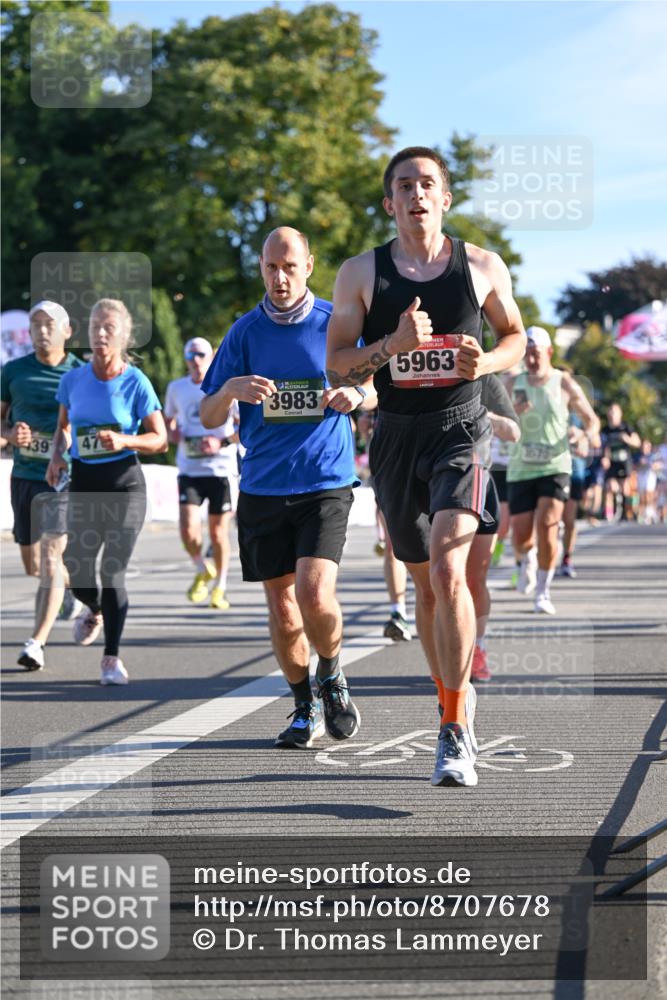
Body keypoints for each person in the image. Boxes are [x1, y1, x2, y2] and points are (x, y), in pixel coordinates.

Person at [325, 146, 526, 788]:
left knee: (448, 566)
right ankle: (452, 695)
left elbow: (515, 337)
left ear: (445, 198)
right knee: (425, 585)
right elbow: (336, 362)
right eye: (404, 185)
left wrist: (483, 364)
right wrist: (391, 347)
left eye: (428, 184)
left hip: (462, 431)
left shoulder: (483, 266)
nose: (416, 194)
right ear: (389, 202)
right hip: (396, 437)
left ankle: (454, 724)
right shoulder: (361, 273)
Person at [200, 227, 376, 748]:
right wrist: (230, 388)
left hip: (325, 481)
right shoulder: (245, 333)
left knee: (314, 592)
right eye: (272, 267)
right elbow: (209, 414)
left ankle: (333, 675)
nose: (281, 277)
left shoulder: (335, 323)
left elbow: (374, 387)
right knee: (281, 606)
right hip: (262, 487)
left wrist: (356, 397)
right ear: (261, 268)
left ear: (309, 266)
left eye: (290, 266)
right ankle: (303, 707)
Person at [46, 298, 168, 684]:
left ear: (123, 335)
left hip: (124, 486)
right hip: (84, 482)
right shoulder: (73, 380)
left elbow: (161, 439)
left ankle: (111, 658)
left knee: (112, 570)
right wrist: (56, 457)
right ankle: (95, 608)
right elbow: (64, 427)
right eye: (95, 327)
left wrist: (124, 439)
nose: (100, 334)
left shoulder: (135, 382)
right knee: (78, 570)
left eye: (109, 328)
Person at [1, 301, 84, 672]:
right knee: (34, 564)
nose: (41, 331)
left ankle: (36, 642)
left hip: (63, 480)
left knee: (52, 554)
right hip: (24, 476)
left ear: (67, 331)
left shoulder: (81, 374)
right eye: (35, 325)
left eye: (49, 324)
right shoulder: (12, 372)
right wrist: (9, 435)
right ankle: (69, 590)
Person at [507, 327, 600, 615]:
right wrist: (510, 413)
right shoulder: (512, 382)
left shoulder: (564, 383)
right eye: (527, 354)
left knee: (548, 526)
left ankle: (543, 593)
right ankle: (526, 559)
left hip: (555, 465)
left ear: (548, 352)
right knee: (521, 536)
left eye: (536, 354)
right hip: (521, 467)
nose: (531, 360)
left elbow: (592, 420)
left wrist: (585, 436)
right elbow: (492, 414)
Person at [164, 337, 237, 609]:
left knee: (218, 534)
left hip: (220, 470)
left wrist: (222, 441)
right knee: (188, 530)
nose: (195, 360)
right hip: (190, 469)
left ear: (211, 358)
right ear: (185, 359)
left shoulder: (226, 387)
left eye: (201, 355)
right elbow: (168, 420)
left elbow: (246, 429)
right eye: (191, 355)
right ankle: (201, 568)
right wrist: (173, 432)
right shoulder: (176, 388)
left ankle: (220, 587)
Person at [468, 374, 521, 683]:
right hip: (428, 482)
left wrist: (480, 413)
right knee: (440, 581)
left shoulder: (483, 374)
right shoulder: (412, 362)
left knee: (473, 579)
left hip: (477, 478)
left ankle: (477, 647)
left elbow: (513, 431)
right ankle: (446, 651)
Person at [600, 403, 641, 521]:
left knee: (625, 488)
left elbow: (637, 442)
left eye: (615, 411)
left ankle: (626, 513)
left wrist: (627, 439)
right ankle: (608, 514)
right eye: (610, 411)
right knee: (610, 487)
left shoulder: (626, 427)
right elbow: (603, 447)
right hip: (611, 463)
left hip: (624, 462)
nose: (612, 414)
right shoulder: (605, 430)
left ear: (620, 414)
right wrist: (604, 458)